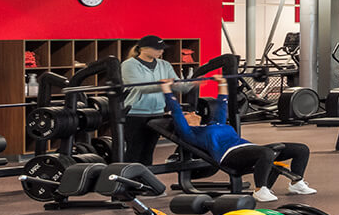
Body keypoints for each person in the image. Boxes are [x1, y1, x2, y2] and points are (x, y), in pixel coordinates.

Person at [163, 77, 315, 202]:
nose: (191, 112)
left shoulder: (215, 123)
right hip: (229, 156)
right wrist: (167, 89)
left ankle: (297, 183)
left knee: (301, 149)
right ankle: (260, 190)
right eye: (186, 113)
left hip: (249, 149)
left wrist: (221, 82)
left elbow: (222, 104)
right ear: (183, 120)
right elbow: (176, 110)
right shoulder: (190, 133)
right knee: (266, 153)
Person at [120, 35, 187, 165]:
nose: (161, 51)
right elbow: (142, 88)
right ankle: (129, 184)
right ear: (144, 49)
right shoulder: (129, 65)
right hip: (135, 114)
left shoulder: (164, 65)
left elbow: (178, 84)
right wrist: (164, 85)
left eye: (162, 49)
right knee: (134, 151)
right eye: (158, 49)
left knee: (148, 152)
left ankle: (145, 183)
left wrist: (193, 83)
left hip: (157, 114)